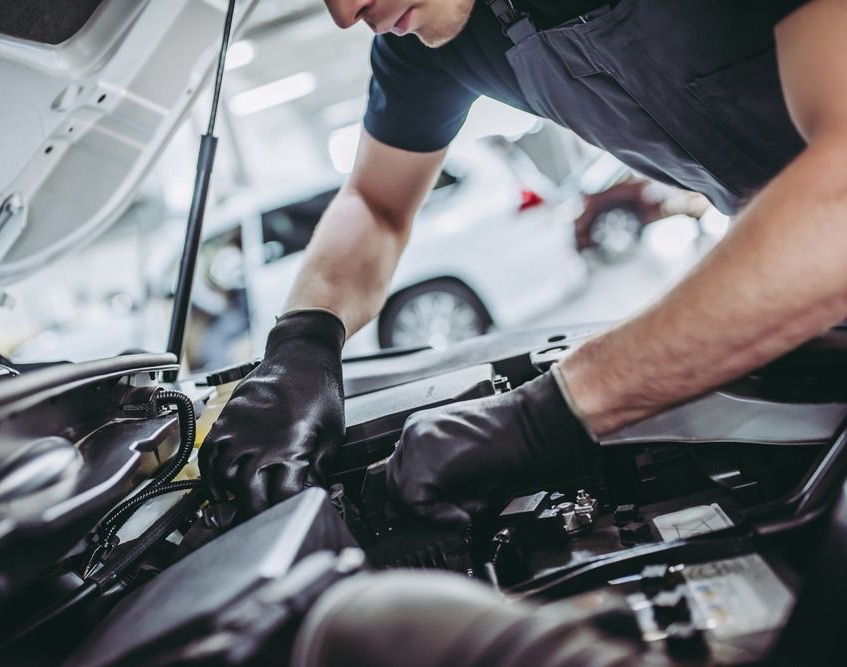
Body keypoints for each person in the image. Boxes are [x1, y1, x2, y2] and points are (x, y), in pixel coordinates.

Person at [200, 0, 847, 524]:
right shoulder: (434, 39)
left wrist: (553, 414)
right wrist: (303, 343)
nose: (344, 12)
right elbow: (375, 202)